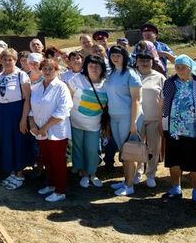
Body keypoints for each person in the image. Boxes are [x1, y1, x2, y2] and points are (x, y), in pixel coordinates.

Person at [160, 55, 196, 211]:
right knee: (174, 161)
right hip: (173, 131)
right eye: (177, 66)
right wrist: (161, 125)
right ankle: (175, 188)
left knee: (195, 163)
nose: (179, 69)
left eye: (183, 66)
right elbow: (163, 105)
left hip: (195, 132)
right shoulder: (170, 83)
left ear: (191, 67)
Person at [30, 59, 73, 203]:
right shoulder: (36, 87)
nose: (47, 72)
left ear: (56, 71)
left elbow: (63, 110)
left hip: (56, 131)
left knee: (58, 161)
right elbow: (31, 108)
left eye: (51, 69)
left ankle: (60, 190)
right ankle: (51, 184)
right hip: (40, 132)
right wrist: (32, 125)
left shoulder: (61, 87)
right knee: (47, 159)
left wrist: (45, 127)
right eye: (45, 69)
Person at [104, 45, 143, 196]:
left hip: (128, 117)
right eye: (113, 55)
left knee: (129, 153)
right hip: (115, 117)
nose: (115, 57)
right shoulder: (112, 73)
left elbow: (137, 100)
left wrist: (133, 123)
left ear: (125, 57)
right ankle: (126, 180)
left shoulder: (131, 73)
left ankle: (129, 185)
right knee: (122, 151)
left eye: (118, 55)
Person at [0, 48, 32, 190]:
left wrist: (23, 119)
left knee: (18, 142)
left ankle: (20, 173)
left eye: (11, 59)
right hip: (2, 113)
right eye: (5, 59)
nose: (8, 62)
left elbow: (27, 99)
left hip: (16, 112)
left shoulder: (21, 75)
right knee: (6, 141)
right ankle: (11, 171)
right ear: (0, 60)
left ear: (15, 60)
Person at [67, 55, 109, 188]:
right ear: (86, 67)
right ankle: (83, 173)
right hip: (76, 122)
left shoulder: (106, 83)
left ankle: (92, 173)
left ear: (102, 68)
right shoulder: (77, 79)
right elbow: (69, 98)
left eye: (97, 66)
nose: (94, 68)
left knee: (92, 150)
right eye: (91, 65)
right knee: (78, 148)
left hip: (94, 124)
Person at [135, 50, 165, 188]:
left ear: (152, 62)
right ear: (137, 61)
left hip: (154, 119)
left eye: (148, 60)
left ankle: (151, 173)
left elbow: (164, 99)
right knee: (137, 147)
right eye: (141, 60)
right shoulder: (132, 75)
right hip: (137, 119)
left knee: (153, 148)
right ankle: (137, 172)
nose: (145, 63)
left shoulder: (159, 77)